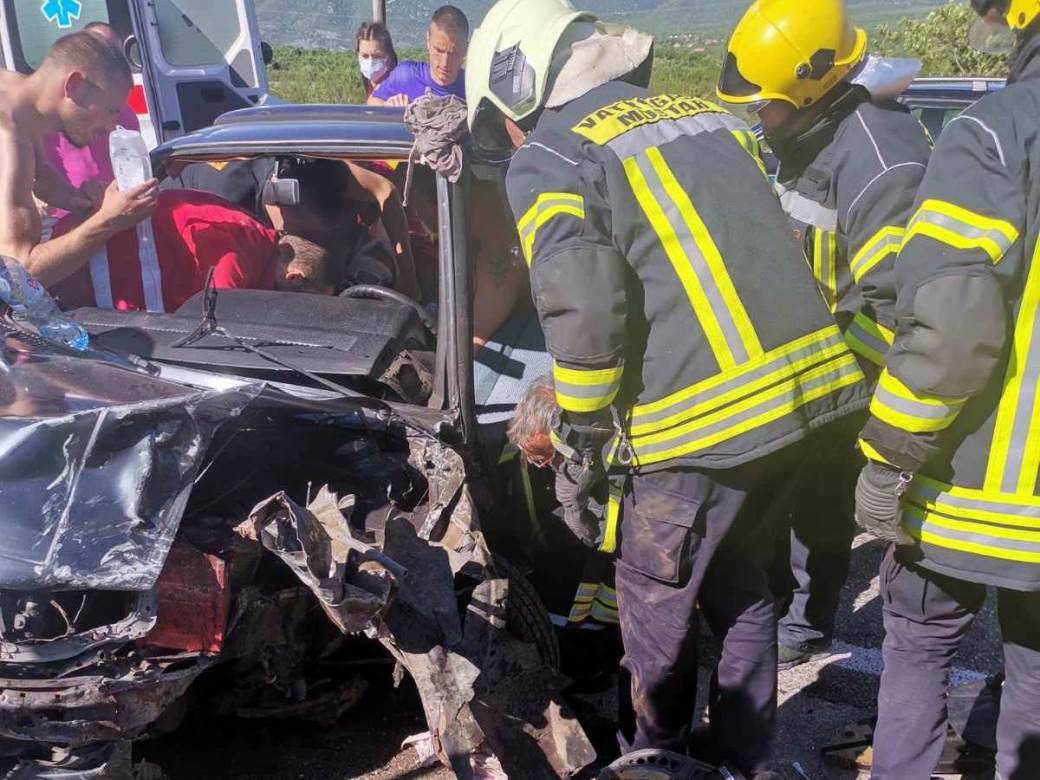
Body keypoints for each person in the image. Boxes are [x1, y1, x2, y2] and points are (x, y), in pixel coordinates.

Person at [466, 1, 871, 774]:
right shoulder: (702, 117)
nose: (510, 140)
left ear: (518, 84)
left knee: (656, 614)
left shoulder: (553, 155)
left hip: (700, 428)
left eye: (502, 122)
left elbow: (582, 308)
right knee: (746, 594)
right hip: (803, 403)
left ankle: (651, 764)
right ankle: (741, 762)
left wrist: (580, 448)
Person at [853, 1, 1040, 777]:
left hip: (976, 489)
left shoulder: (999, 130)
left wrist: (888, 457)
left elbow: (953, 328)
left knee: (919, 648)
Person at [717, 0, 932, 670]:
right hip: (817, 355)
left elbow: (904, 309)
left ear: (812, 86)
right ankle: (783, 600)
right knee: (788, 490)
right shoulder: (816, 134)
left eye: (766, 104)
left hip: (856, 371)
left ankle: (808, 619)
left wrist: (835, 370)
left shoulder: (877, 163)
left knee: (820, 496)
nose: (760, 115)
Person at [0, 32, 157, 286]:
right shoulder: (8, 136)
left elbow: (38, 173)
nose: (109, 128)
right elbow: (18, 275)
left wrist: (74, 199)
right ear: (73, 86)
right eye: (109, 111)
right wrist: (107, 221)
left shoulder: (18, 98)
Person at [168, 156, 420, 300]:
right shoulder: (230, 207)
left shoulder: (320, 170)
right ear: (279, 205)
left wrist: (408, 276)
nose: (314, 238)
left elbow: (384, 190)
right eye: (309, 232)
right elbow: (221, 303)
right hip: (175, 231)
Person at [48, 189, 337, 312]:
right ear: (294, 277)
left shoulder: (254, 240)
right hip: (70, 278)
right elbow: (218, 319)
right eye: (306, 305)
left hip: (98, 298)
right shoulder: (239, 249)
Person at [40, 22, 141, 227]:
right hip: (57, 226)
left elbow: (134, 177)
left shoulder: (126, 115)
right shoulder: (22, 122)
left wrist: (89, 198)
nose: (110, 126)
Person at [367, 6, 467, 106]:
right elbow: (371, 104)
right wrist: (387, 106)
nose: (444, 62)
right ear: (428, 40)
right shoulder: (405, 76)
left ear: (466, 49)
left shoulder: (472, 90)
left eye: (453, 53)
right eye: (439, 51)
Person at [356, 21, 398, 100]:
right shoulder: (359, 88)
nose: (370, 62)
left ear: (389, 57)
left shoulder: (398, 93)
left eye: (377, 56)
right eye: (365, 56)